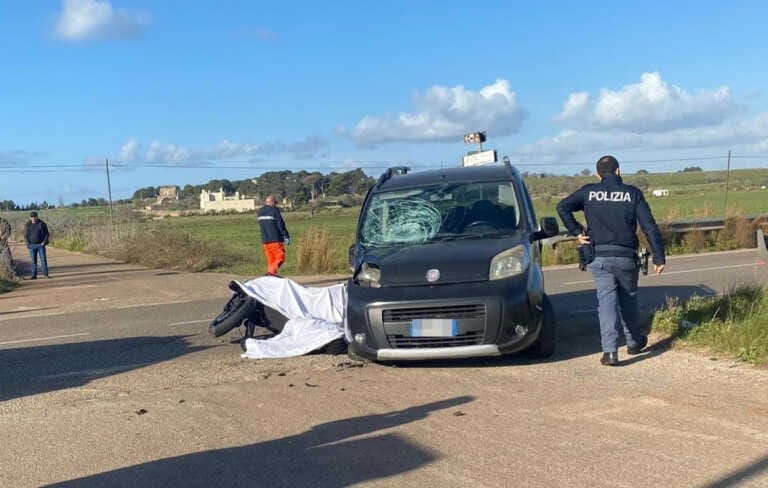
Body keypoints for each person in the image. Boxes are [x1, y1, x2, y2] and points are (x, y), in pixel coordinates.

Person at [556, 155, 665, 366]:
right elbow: (649, 227)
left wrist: (577, 231)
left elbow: (562, 207)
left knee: (606, 302)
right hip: (626, 257)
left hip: (598, 256)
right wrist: (659, 257)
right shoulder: (632, 193)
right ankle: (634, 342)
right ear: (618, 171)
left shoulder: (588, 192)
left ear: (597, 175)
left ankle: (610, 352)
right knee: (628, 299)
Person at [257, 195, 290, 276]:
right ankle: (270, 273)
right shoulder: (274, 211)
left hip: (265, 241)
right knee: (280, 257)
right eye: (275, 202)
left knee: (271, 261)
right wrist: (286, 236)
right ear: (271, 202)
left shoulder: (259, 212)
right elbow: (280, 224)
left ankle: (270, 277)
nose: (276, 204)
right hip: (275, 240)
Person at [23, 211, 50, 280]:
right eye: (32, 217)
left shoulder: (42, 224)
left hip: (41, 245)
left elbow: (47, 234)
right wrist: (27, 244)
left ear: (37, 216)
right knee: (33, 261)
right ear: (30, 217)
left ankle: (46, 275)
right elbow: (25, 235)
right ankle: (34, 275)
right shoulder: (27, 225)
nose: (33, 218)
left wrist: (44, 242)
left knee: (43, 260)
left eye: (34, 216)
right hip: (32, 245)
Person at [0, 215, 18, 280]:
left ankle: (13, 275)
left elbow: (8, 232)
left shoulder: (4, 222)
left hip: (3, 244)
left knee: (8, 260)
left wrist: (3, 237)